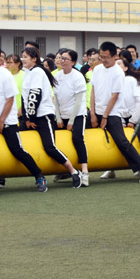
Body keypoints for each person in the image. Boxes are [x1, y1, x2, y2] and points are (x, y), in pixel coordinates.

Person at [0, 43, 48, 192]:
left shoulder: (5, 74)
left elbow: (10, 99)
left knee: (17, 150)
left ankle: (39, 176)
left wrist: (1, 121)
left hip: (7, 122)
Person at [91, 42, 140, 183]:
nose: (103, 60)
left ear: (114, 56)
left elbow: (114, 96)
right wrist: (93, 113)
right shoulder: (98, 69)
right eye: (101, 57)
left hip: (112, 112)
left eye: (106, 57)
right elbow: (93, 92)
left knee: (121, 141)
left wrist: (105, 116)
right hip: (97, 110)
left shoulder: (118, 72)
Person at [21, 47, 81, 188]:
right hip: (32, 116)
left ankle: (73, 171)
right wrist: (27, 118)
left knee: (49, 147)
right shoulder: (28, 73)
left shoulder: (37, 72)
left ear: (34, 59)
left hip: (43, 116)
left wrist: (31, 118)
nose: (23, 59)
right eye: (22, 56)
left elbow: (35, 95)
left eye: (25, 57)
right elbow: (25, 98)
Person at [54, 49, 90, 187]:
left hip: (77, 114)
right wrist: (58, 118)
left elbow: (79, 101)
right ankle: (63, 170)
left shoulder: (77, 76)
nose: (62, 61)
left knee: (77, 138)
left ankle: (85, 171)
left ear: (73, 62)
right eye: (61, 58)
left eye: (65, 59)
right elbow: (56, 99)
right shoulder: (57, 76)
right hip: (61, 114)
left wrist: (71, 121)